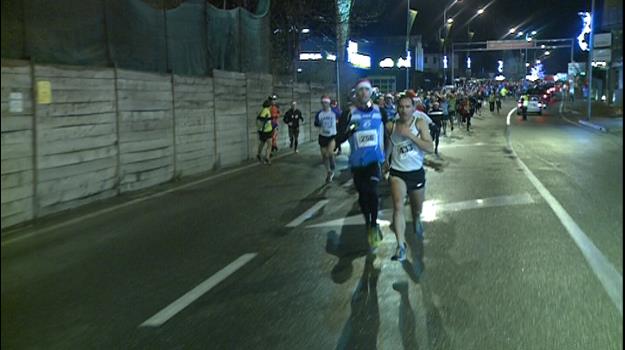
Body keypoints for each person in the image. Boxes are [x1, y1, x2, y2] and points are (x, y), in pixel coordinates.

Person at [336, 79, 391, 251]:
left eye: (366, 90)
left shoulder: (380, 111)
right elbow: (339, 139)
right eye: (360, 90)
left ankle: (373, 225)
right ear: (356, 93)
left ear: (371, 92)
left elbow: (389, 135)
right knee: (362, 196)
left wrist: (387, 158)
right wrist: (349, 131)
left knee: (372, 192)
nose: (363, 93)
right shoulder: (348, 113)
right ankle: (368, 222)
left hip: (374, 161)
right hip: (357, 163)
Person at [384, 95, 434, 260]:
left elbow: (429, 148)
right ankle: (400, 245)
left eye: (407, 107)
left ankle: (417, 217)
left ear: (413, 108)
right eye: (401, 107)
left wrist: (410, 135)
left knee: (416, 207)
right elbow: (390, 144)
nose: (404, 110)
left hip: (416, 172)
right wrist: (385, 160)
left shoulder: (419, 124)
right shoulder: (391, 126)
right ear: (397, 109)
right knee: (398, 206)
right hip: (398, 173)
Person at [314, 96, 340, 183]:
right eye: (323, 103)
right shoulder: (319, 114)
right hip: (322, 136)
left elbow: (342, 117)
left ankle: (332, 163)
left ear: (329, 103)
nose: (324, 105)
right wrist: (318, 123)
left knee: (329, 152)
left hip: (332, 135)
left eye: (326, 103)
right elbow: (316, 123)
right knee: (324, 156)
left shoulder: (334, 112)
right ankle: (328, 172)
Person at [256, 99, 274, 165]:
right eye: (271, 105)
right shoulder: (266, 111)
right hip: (266, 131)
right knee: (269, 145)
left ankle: (260, 154)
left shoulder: (262, 110)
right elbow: (262, 119)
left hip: (263, 131)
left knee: (263, 143)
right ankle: (266, 158)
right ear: (269, 105)